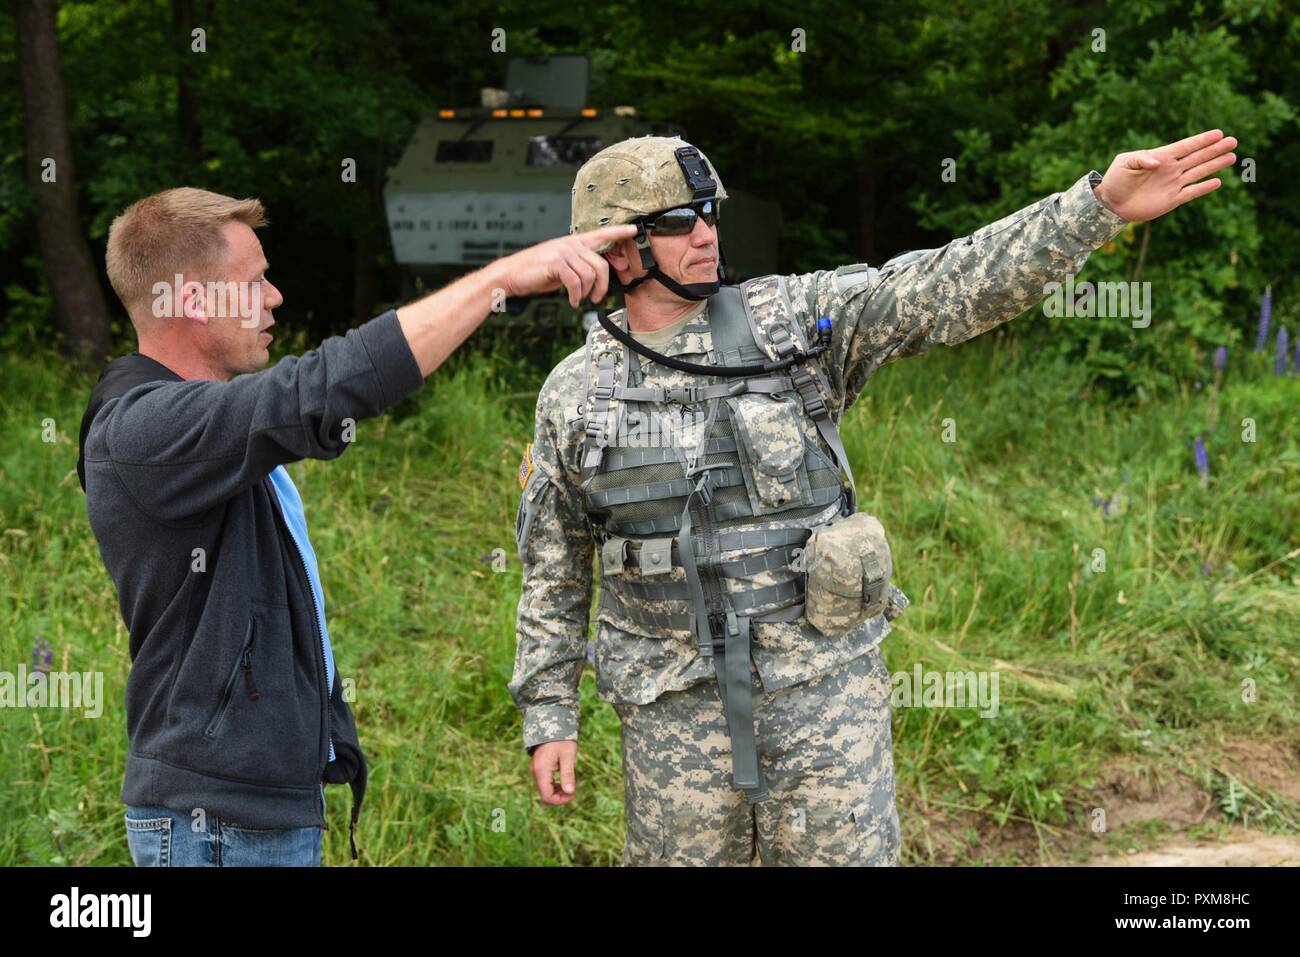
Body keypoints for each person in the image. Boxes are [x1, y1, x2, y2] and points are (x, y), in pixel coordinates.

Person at [510, 130, 1236, 865]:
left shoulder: (795, 326)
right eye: (677, 222)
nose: (705, 234)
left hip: (825, 702)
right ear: (618, 251)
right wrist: (550, 711)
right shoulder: (576, 394)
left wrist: (1096, 207)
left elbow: (944, 286)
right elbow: (555, 566)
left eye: (709, 213)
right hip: (672, 719)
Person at [78, 186, 632, 866]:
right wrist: (501, 280)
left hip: (246, 814)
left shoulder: (192, 428)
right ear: (192, 300)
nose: (275, 296)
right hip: (216, 824)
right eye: (254, 283)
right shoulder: (146, 430)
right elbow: (320, 389)